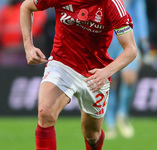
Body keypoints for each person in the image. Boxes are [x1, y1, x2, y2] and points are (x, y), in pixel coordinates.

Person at [20, 0, 137, 150]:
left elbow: (131, 50)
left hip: (95, 73)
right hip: (62, 63)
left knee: (92, 135)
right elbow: (26, 7)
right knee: (46, 114)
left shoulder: (112, 3)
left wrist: (105, 72)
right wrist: (28, 47)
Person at [105, 0, 149, 139]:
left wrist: (143, 39)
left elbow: (140, 12)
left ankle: (122, 115)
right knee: (110, 81)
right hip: (108, 35)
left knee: (130, 78)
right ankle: (109, 122)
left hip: (129, 34)